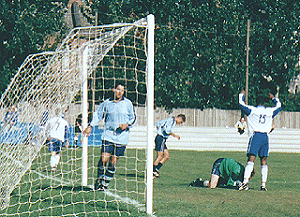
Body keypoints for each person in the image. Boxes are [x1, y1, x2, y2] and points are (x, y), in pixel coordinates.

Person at [83, 83, 136, 191]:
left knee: (113, 161)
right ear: (113, 89)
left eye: (122, 90)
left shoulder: (128, 103)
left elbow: (133, 118)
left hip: (122, 137)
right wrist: (90, 126)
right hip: (108, 135)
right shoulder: (107, 103)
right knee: (104, 158)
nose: (119, 92)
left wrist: (127, 124)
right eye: (118, 89)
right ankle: (99, 178)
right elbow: (98, 115)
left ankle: (104, 184)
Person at [238, 89, 281, 191]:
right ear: (265, 103)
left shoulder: (253, 110)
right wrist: (274, 98)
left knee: (251, 159)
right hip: (265, 137)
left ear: (256, 102)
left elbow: (241, 103)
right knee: (264, 160)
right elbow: (279, 106)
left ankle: (245, 182)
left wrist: (242, 94)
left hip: (256, 136)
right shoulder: (269, 111)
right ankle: (263, 185)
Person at [153, 114, 186, 178]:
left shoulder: (170, 120)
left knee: (167, 156)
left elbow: (158, 123)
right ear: (179, 118)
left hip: (161, 139)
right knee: (160, 156)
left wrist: (160, 129)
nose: (180, 123)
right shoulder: (171, 121)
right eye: (181, 121)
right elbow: (167, 130)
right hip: (161, 138)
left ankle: (156, 169)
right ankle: (152, 171)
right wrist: (175, 135)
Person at [189, 158, 255, 189]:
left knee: (219, 183)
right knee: (212, 186)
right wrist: (237, 187)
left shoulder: (241, 171)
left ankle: (219, 180)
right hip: (219, 164)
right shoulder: (237, 171)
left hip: (226, 171)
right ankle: (199, 182)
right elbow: (230, 185)